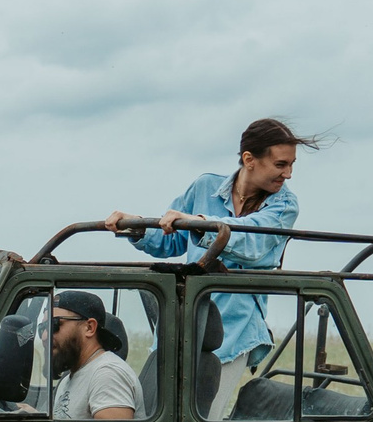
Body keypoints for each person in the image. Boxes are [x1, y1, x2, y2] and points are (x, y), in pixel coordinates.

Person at [103, 117, 320, 372]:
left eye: (291, 164)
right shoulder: (205, 187)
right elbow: (170, 240)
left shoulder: (284, 206)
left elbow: (252, 241)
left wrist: (199, 222)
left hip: (234, 332)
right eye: (280, 164)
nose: (289, 174)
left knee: (205, 408)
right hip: (185, 321)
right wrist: (137, 226)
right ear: (249, 160)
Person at [47, 291, 141, 420]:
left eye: (54, 325)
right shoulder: (69, 379)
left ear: (89, 327)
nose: (45, 336)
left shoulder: (107, 374)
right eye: (42, 328)